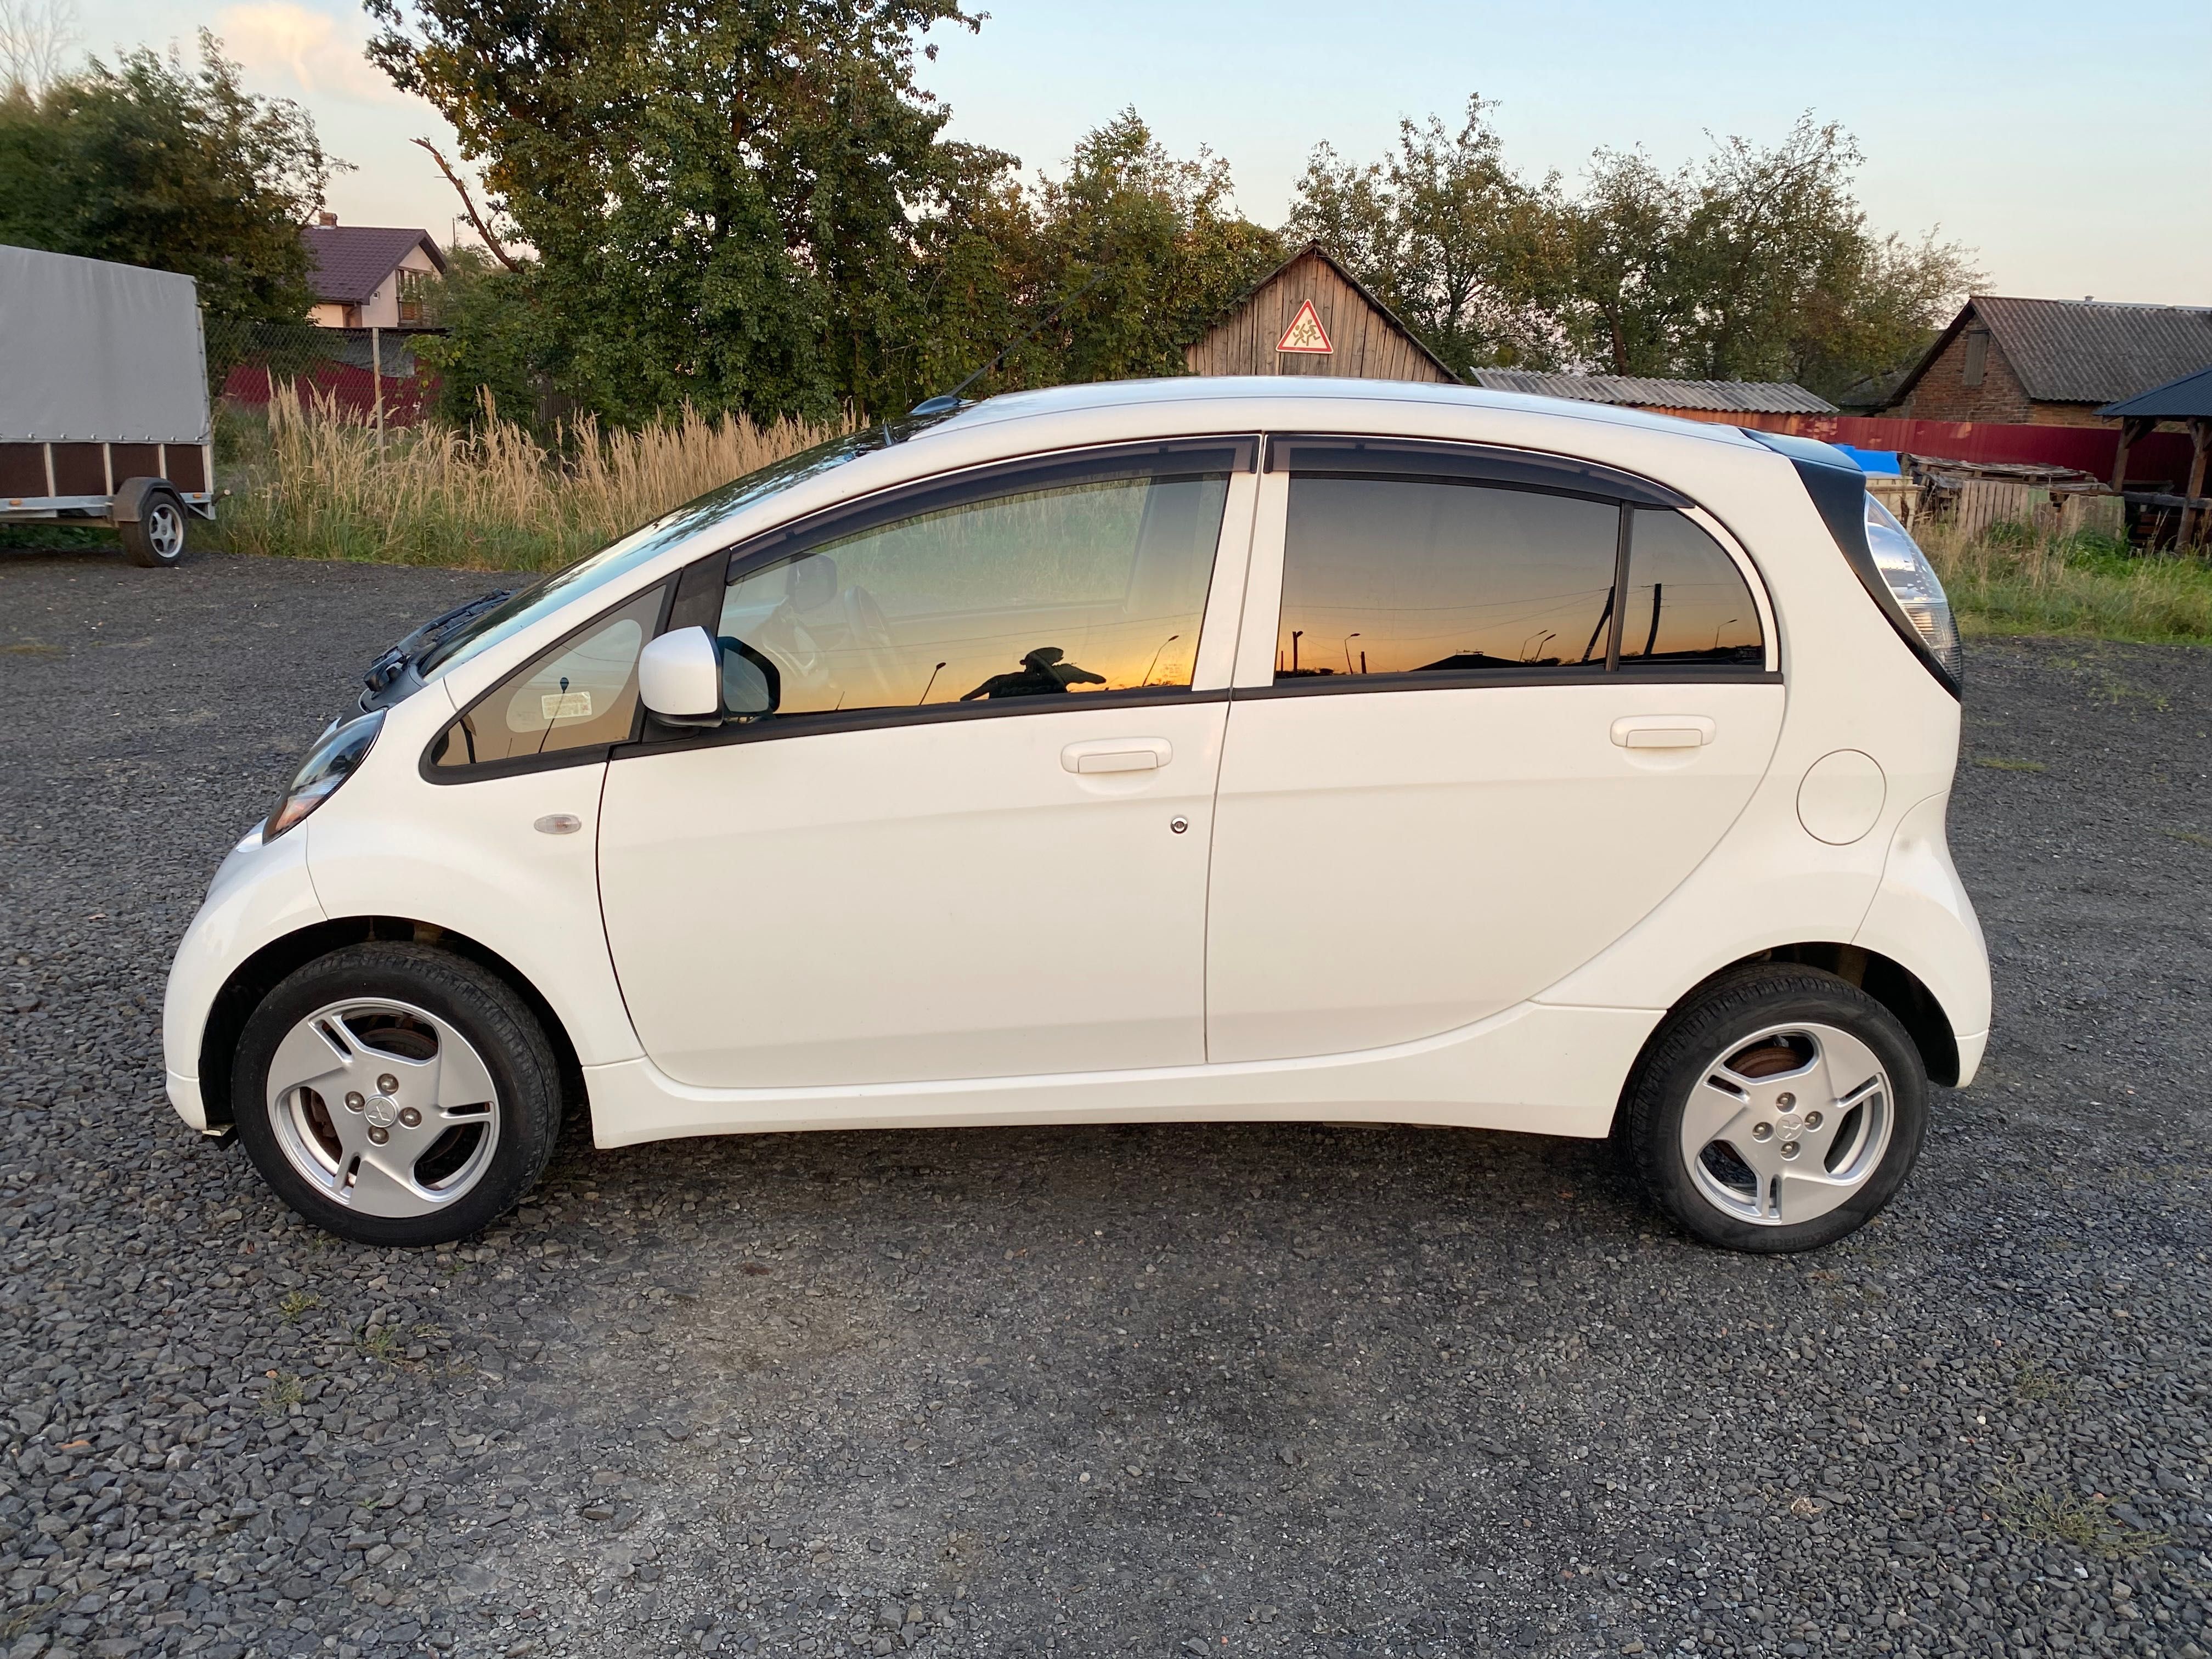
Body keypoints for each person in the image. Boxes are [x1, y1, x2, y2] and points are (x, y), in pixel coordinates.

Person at [961, 646, 1106, 701]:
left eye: (1044, 661)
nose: (1038, 664)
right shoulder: (1003, 680)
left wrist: (1069, 672)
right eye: (1035, 660)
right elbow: (966, 700)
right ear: (1025, 663)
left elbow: (1100, 680)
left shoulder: (1063, 674)